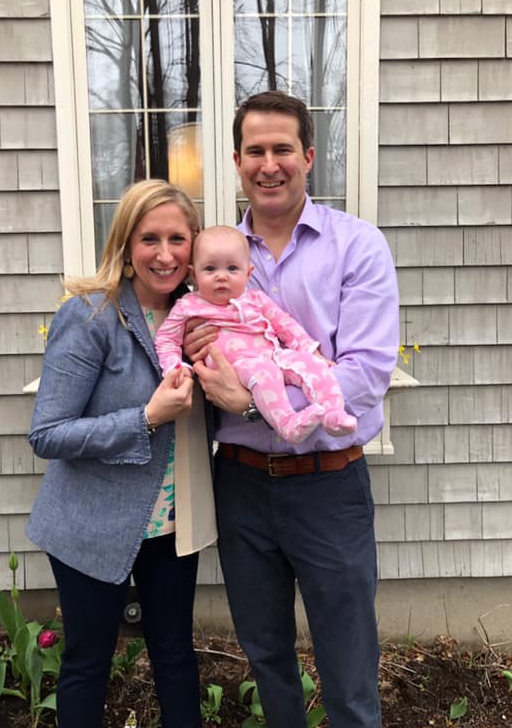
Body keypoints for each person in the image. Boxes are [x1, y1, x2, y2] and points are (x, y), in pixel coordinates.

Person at [184, 91, 400, 728]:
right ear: (237, 160)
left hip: (328, 484)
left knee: (349, 665)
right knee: (266, 655)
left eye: (283, 149)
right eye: (256, 150)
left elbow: (362, 376)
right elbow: (175, 340)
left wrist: (251, 401)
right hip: (242, 483)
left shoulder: (356, 246)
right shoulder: (212, 257)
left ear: (308, 157)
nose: (269, 163)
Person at [26, 179, 216, 728]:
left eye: (177, 239)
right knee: (88, 662)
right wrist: (146, 417)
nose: (164, 254)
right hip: (91, 525)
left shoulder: (200, 320)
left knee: (176, 655)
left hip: (173, 527)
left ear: (194, 243)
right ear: (127, 244)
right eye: (149, 238)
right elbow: (49, 433)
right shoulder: (91, 316)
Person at [155, 224, 356, 444]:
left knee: (312, 367)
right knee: (265, 372)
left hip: (273, 355)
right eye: (210, 269)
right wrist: (176, 367)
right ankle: (288, 425)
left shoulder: (256, 299)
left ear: (248, 272)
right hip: (235, 367)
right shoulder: (189, 306)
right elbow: (166, 339)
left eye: (232, 269)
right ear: (193, 274)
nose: (221, 276)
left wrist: (311, 352)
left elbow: (285, 325)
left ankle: (332, 413)